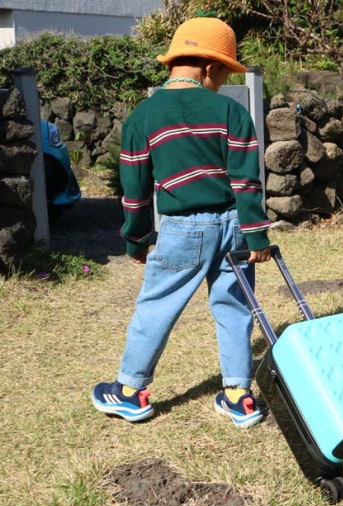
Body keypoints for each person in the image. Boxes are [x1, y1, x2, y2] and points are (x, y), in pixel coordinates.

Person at [91, 16, 271, 428]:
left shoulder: (143, 117)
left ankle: (131, 392)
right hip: (233, 227)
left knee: (157, 305)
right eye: (226, 71)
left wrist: (136, 240)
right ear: (209, 66)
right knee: (235, 305)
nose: (224, 79)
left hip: (182, 229)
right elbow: (247, 180)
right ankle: (240, 396)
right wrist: (256, 233)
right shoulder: (231, 111)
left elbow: (135, 193)